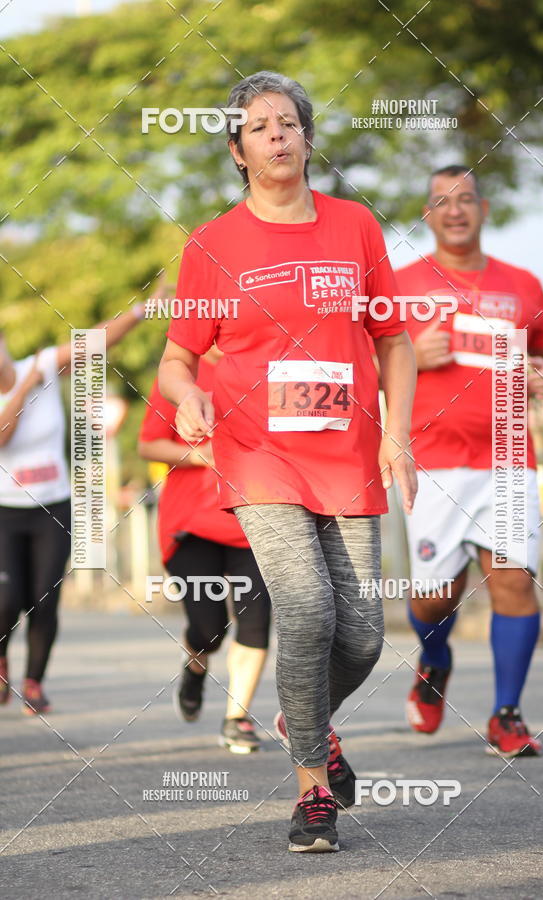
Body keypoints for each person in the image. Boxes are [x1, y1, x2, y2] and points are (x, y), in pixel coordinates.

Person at [158, 70, 417, 853]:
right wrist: (187, 397)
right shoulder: (212, 244)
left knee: (364, 637)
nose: (277, 134)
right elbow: (176, 359)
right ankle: (312, 791)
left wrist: (396, 432)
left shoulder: (355, 226)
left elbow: (394, 340)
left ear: (307, 138)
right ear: (238, 151)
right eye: (259, 127)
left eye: (288, 123)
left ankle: (302, 717)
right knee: (305, 609)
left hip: (345, 454)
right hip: (258, 452)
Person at [394, 164, 543, 757]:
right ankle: (435, 658)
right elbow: (364, 370)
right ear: (427, 214)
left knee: (515, 582)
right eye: (441, 200)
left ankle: (507, 714)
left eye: (466, 198)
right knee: (434, 597)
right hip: (433, 461)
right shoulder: (400, 285)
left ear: (484, 208)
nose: (455, 210)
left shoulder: (521, 283)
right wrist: (413, 355)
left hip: (509, 456)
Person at [0, 306, 145, 714]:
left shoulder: (44, 362)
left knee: (44, 599)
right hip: (4, 512)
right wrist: (26, 385)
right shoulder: (33, 375)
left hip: (53, 506)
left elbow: (97, 339)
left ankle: (34, 683)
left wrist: (141, 309)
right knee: (6, 599)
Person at [138, 346, 271, 753]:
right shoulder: (181, 375)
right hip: (193, 526)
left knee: (256, 622)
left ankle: (237, 718)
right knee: (210, 630)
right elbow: (148, 444)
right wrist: (200, 455)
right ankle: (196, 664)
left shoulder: (269, 371)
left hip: (257, 521)